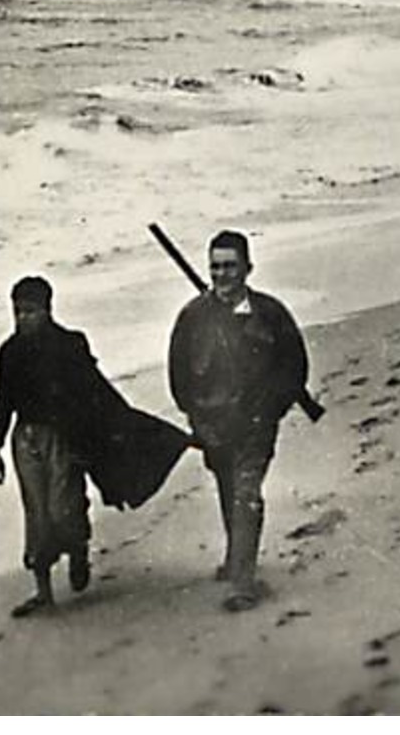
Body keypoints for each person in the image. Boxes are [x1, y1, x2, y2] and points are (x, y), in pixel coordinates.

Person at [0, 276, 192, 618]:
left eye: (31, 311)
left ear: (48, 310)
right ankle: (43, 592)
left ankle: (78, 547)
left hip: (65, 438)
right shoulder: (9, 352)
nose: (24, 319)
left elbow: (96, 393)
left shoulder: (70, 344)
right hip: (25, 438)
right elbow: (2, 401)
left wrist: (122, 428)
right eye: (18, 312)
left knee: (62, 508)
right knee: (36, 513)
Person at [168, 230, 312, 612]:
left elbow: (294, 366)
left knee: (246, 492)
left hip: (256, 424)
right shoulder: (193, 317)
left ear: (248, 268)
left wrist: (271, 411)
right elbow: (178, 375)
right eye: (215, 267)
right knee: (228, 488)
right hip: (214, 425)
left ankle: (243, 582)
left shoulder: (271, 313)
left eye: (230, 266)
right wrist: (196, 418)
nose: (222, 274)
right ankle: (237, 556)